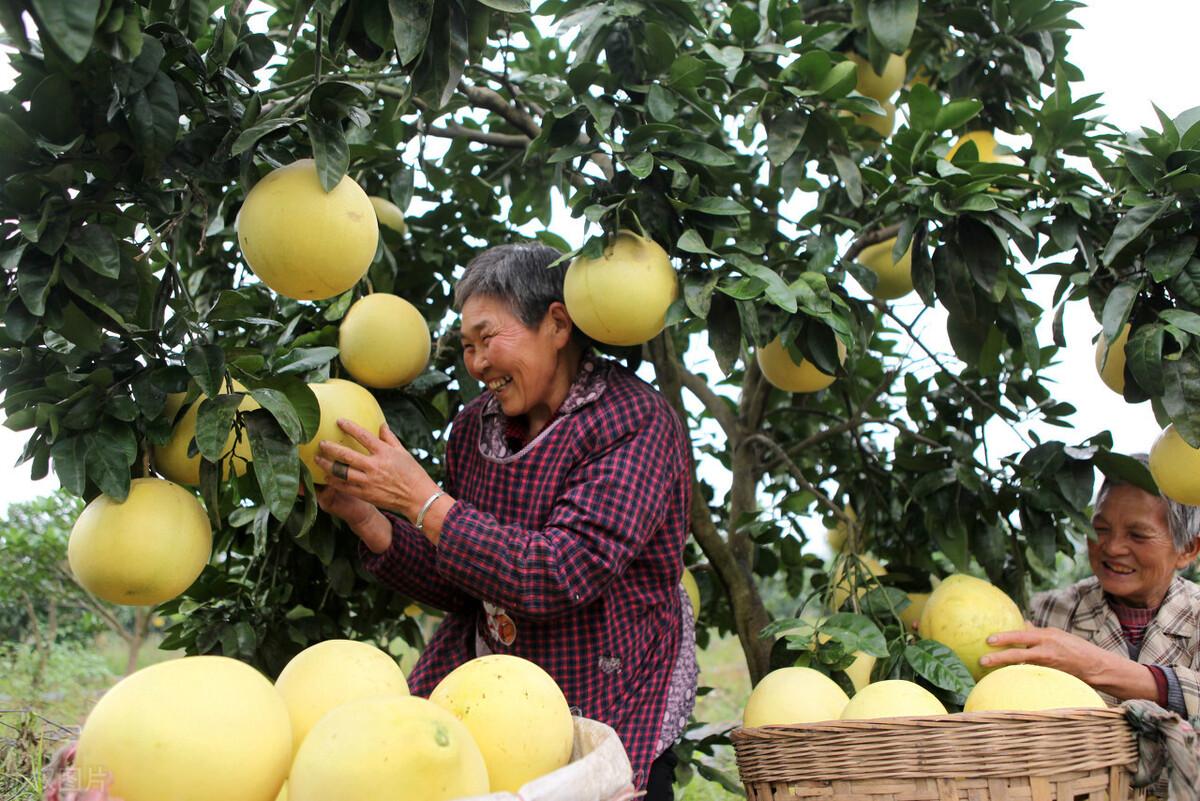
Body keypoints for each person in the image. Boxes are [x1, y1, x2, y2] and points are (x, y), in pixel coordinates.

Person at [313, 242, 697, 796]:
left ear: (557, 324)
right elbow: (468, 582)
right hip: (493, 700)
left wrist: (422, 499)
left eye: (488, 339)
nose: (476, 364)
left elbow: (561, 572)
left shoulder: (634, 422)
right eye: (467, 347)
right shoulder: (474, 431)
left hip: (609, 694)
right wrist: (371, 517)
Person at [984, 455, 1200, 717]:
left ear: (1187, 549)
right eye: (1100, 528)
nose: (1112, 547)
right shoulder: (1044, 613)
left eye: (1137, 535)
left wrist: (1094, 665)